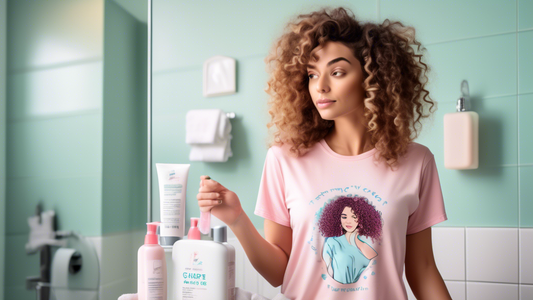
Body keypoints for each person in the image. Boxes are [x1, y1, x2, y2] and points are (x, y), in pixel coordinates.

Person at [197, 7, 452, 300]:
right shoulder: (284, 159)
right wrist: (237, 219)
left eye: (337, 72)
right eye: (312, 74)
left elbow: (422, 269)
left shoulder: (417, 161)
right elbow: (279, 272)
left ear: (372, 77)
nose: (321, 86)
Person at [319, 196, 381, 284]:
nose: (348, 221)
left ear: (362, 218)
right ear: (338, 218)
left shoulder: (367, 248)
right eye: (344, 217)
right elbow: (327, 273)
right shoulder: (332, 243)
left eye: (354, 217)